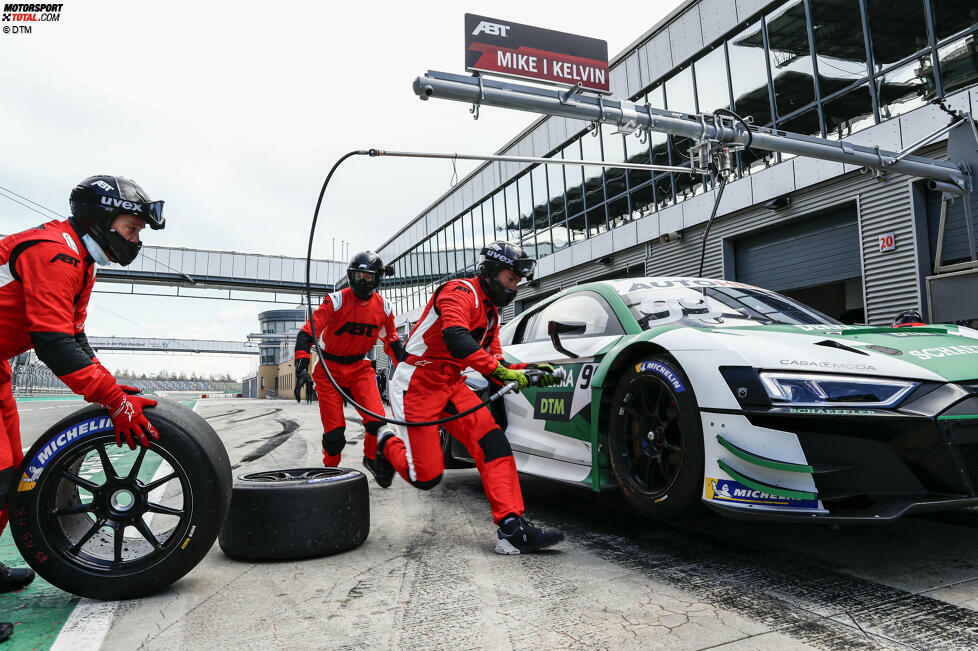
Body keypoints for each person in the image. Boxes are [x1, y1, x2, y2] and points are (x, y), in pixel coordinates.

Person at [0, 175, 164, 643]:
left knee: (10, 476)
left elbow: (74, 337)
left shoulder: (80, 261)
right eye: (132, 230)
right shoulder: (55, 253)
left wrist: (113, 387)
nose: (135, 241)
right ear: (101, 219)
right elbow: (53, 344)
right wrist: (111, 400)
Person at [372, 241, 564, 555]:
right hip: (417, 382)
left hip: (452, 383)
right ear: (490, 272)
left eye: (517, 281)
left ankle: (512, 528)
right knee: (426, 477)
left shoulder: (492, 314)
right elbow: (456, 337)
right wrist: (502, 374)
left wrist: (526, 371)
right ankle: (385, 442)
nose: (514, 286)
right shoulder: (460, 291)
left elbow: (495, 363)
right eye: (509, 278)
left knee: (492, 441)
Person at [293, 251, 406, 469]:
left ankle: (371, 459)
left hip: (360, 369)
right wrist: (301, 368)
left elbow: (392, 343)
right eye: (358, 276)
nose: (362, 281)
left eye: (368, 277)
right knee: (335, 436)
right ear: (350, 276)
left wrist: (409, 370)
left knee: (377, 422)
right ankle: (329, 469)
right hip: (329, 370)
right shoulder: (335, 301)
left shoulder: (384, 308)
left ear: (377, 278)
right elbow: (306, 334)